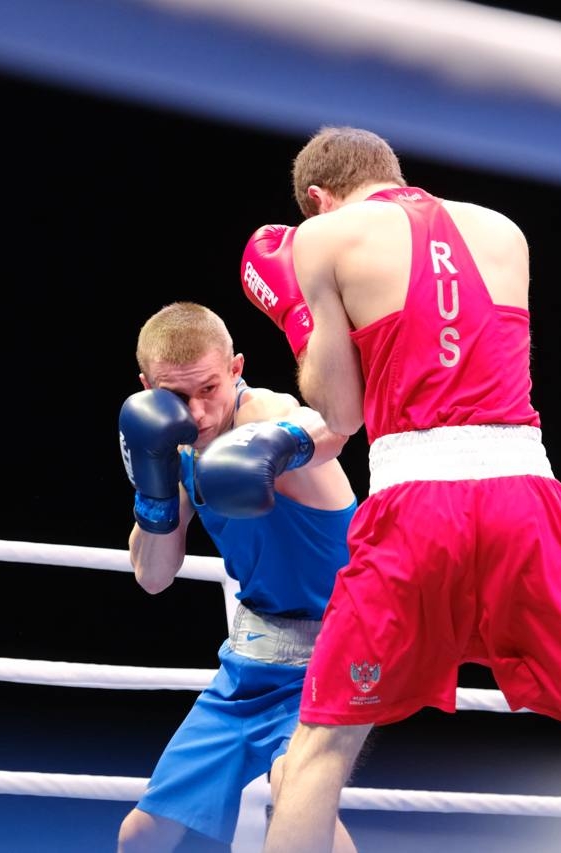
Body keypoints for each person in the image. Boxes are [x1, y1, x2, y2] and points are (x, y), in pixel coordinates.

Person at [216, 127, 561, 853]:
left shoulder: (323, 238)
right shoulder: (504, 231)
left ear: (318, 198)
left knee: (320, 745)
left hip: (415, 503)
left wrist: (300, 319)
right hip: (524, 495)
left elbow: (342, 412)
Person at [115, 301, 360, 852]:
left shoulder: (261, 415)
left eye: (209, 388)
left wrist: (273, 448)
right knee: (142, 835)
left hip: (332, 654)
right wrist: (154, 493)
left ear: (235, 369)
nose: (198, 412)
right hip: (251, 664)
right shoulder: (175, 451)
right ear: (147, 389)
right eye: (176, 396)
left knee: (296, 803)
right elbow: (153, 577)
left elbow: (330, 426)